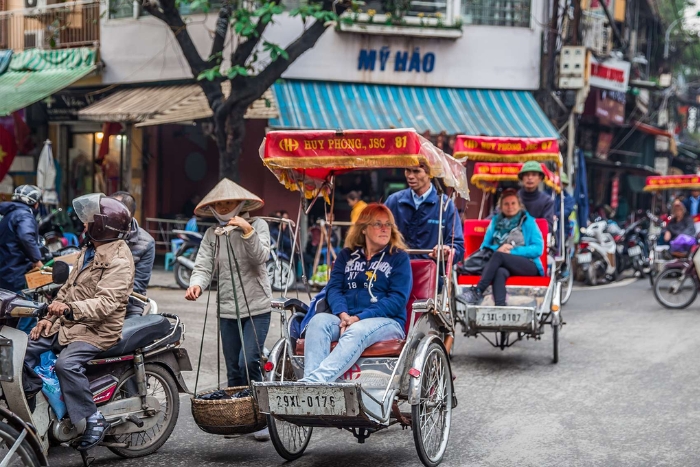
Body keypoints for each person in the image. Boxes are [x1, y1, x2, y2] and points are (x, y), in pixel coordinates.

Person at [24, 193, 134, 451]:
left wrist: (68, 310)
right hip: (71, 323)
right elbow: (67, 291)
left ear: (101, 225)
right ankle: (35, 402)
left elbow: (105, 304)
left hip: (98, 329)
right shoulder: (90, 250)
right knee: (26, 346)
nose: (83, 225)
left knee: (66, 365)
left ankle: (94, 419)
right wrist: (48, 318)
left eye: (88, 221)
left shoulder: (119, 260)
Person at [184, 178, 272, 441]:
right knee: (233, 367)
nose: (224, 207)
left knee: (248, 361)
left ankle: (262, 415)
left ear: (241, 203)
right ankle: (235, 417)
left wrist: (247, 231)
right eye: (219, 204)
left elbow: (261, 258)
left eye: (229, 202)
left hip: (257, 307)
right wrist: (196, 285)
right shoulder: (213, 234)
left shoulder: (259, 225)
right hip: (227, 310)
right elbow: (202, 265)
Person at [301, 204, 412, 383]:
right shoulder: (347, 255)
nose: (385, 229)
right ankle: (313, 389)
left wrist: (359, 318)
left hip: (387, 322)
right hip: (346, 318)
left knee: (357, 331)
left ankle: (312, 383)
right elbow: (334, 288)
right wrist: (344, 315)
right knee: (318, 322)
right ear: (363, 229)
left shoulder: (398, 257)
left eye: (388, 224)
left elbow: (397, 299)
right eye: (377, 224)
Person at [463, 189, 544, 306]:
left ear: (519, 205)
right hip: (502, 264)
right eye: (506, 204)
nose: (510, 207)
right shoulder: (495, 221)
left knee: (499, 256)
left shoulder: (528, 221)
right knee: (500, 271)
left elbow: (537, 249)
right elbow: (484, 247)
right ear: (501, 206)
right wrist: (499, 248)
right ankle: (500, 309)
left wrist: (512, 251)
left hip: (528, 264)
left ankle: (477, 291)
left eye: (513, 203)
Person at [385, 164, 464, 262]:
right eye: (407, 170)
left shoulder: (446, 206)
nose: (410, 176)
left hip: (432, 273)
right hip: (396, 270)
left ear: (430, 174)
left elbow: (458, 247)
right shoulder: (394, 201)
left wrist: (446, 251)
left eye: (416, 171)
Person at [0, 185, 44, 333]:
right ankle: (27, 351)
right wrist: (37, 260)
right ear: (35, 203)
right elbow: (26, 236)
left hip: (6, 271)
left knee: (9, 313)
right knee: (28, 312)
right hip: (16, 273)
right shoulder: (24, 215)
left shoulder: (9, 214)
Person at [110, 191, 156, 319]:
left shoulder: (146, 242)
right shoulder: (99, 233)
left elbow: (138, 286)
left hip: (129, 306)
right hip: (95, 302)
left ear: (126, 214)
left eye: (112, 209)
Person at [518, 161, 554, 231]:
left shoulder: (547, 201)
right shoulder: (513, 198)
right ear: (522, 178)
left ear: (540, 178)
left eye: (534, 175)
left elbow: (548, 226)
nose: (530, 178)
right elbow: (494, 217)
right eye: (526, 175)